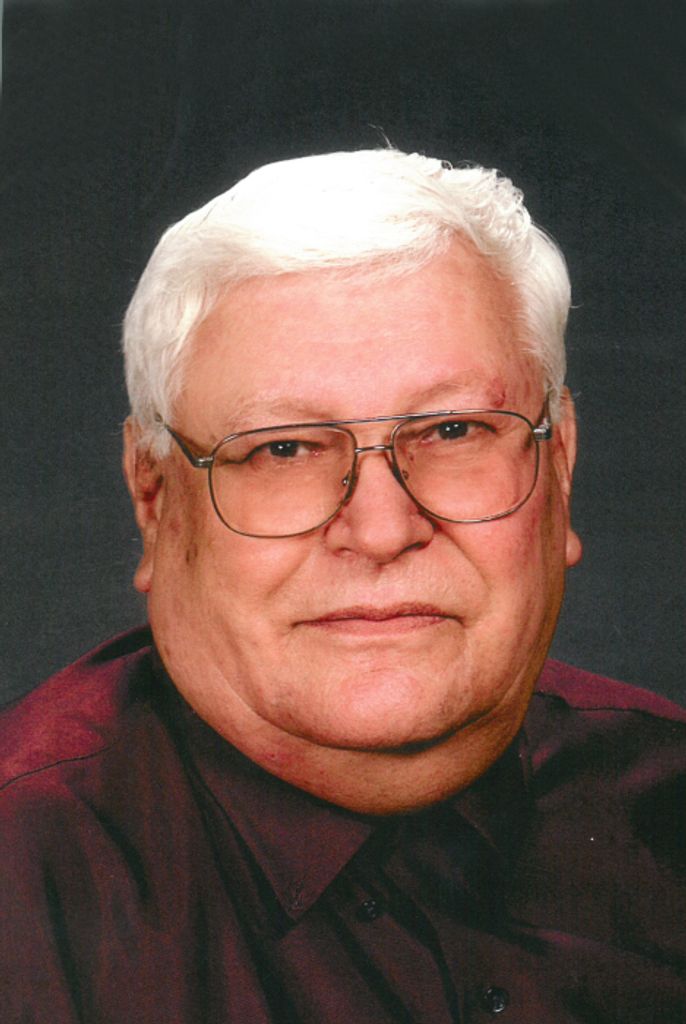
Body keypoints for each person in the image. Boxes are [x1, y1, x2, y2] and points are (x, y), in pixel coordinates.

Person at [1, 149, 684, 1023]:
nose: (383, 530)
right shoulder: (24, 881)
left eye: (454, 430)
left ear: (561, 466)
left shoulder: (668, 800)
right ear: (154, 499)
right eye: (282, 448)